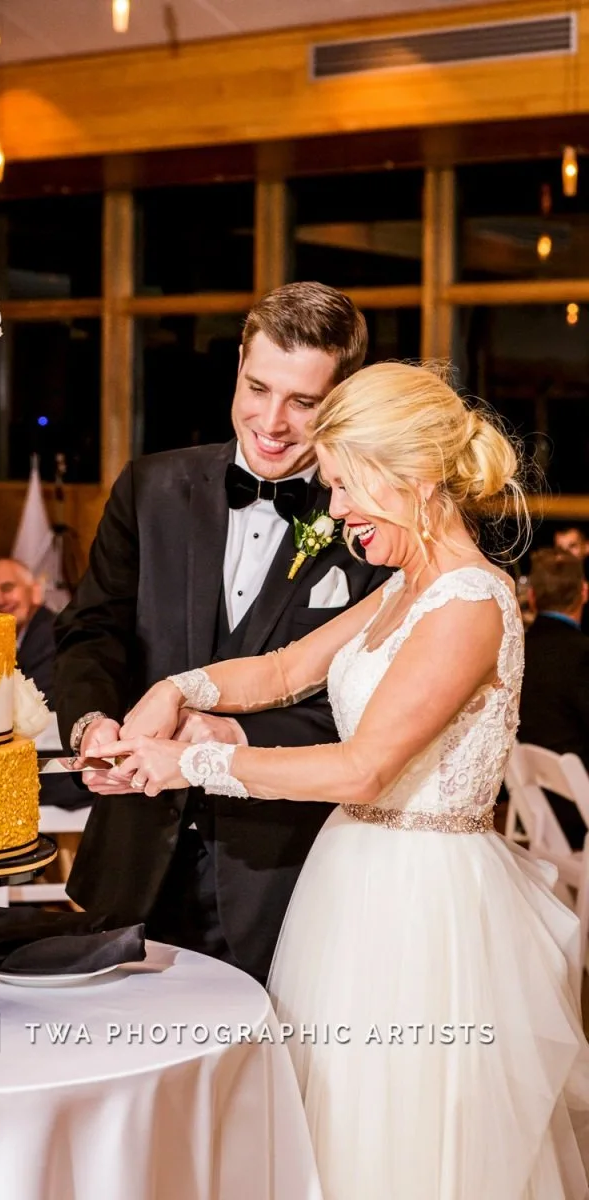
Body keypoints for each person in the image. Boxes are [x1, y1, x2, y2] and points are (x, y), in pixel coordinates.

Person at [97, 362, 589, 1198]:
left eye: (346, 485)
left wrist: (192, 762)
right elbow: (287, 668)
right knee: (328, 1131)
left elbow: (363, 765)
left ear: (415, 477)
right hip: (350, 883)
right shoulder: (405, 586)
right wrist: (178, 690)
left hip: (425, 913)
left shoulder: (471, 601)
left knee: (404, 1141)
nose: (335, 509)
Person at [53, 282, 389, 981]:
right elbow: (93, 632)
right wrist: (91, 725)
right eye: (257, 386)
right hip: (135, 862)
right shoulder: (149, 488)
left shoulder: (373, 525)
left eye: (304, 402)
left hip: (282, 879)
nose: (271, 421)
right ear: (238, 360)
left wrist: (228, 736)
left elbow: (363, 705)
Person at [519, 548, 589, 848]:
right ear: (584, 592)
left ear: (532, 597)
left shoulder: (516, 650)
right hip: (577, 811)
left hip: (533, 803)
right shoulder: (583, 654)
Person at [0, 557, 56, 708]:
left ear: (35, 591)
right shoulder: (9, 641)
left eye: (7, 588)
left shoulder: (52, 634)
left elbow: (37, 703)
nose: (0, 600)